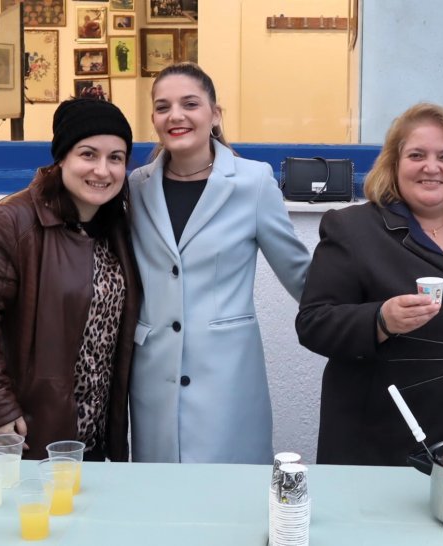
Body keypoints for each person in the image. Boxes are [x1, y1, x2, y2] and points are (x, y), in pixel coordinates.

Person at [296, 103, 443, 466]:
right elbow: (313, 323)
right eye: (417, 155)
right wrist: (380, 321)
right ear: (394, 165)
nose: (432, 167)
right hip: (381, 446)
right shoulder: (352, 229)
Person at [127, 62, 310, 464]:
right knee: (161, 497)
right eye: (162, 107)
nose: (175, 115)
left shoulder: (253, 182)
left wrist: (366, 315)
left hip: (227, 377)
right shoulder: (135, 187)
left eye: (189, 103)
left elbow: (300, 275)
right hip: (153, 377)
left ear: (215, 114)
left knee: (231, 498)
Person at [0, 98, 140, 461]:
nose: (102, 169)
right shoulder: (11, 223)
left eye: (116, 157)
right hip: (21, 434)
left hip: (87, 440)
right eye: (88, 154)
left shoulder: (117, 227)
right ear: (61, 157)